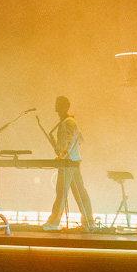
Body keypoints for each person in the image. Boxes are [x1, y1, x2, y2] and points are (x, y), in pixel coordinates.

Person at [37, 96, 94, 231]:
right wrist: (60, 149)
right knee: (80, 192)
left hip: (68, 163)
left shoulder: (69, 122)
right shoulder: (66, 122)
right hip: (71, 162)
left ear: (64, 106)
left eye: (58, 103)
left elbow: (71, 139)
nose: (56, 105)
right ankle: (89, 222)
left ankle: (54, 222)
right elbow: (79, 140)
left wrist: (63, 154)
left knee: (62, 192)